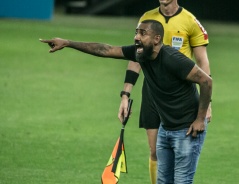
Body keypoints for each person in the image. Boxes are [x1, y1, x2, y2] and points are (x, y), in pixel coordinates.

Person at [40, 19, 212, 183]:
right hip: (165, 129)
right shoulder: (141, 54)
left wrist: (199, 119)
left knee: (182, 181)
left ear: (157, 39)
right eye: (136, 33)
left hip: (188, 130)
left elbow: (206, 81)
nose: (136, 37)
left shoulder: (172, 59)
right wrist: (68, 43)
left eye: (142, 33)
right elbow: (105, 49)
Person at [118, 1, 211, 183]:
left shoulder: (190, 21)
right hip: (152, 92)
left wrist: (207, 104)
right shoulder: (147, 18)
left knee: (180, 160)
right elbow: (137, 56)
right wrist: (125, 94)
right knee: (155, 151)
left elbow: (203, 63)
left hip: (179, 95)